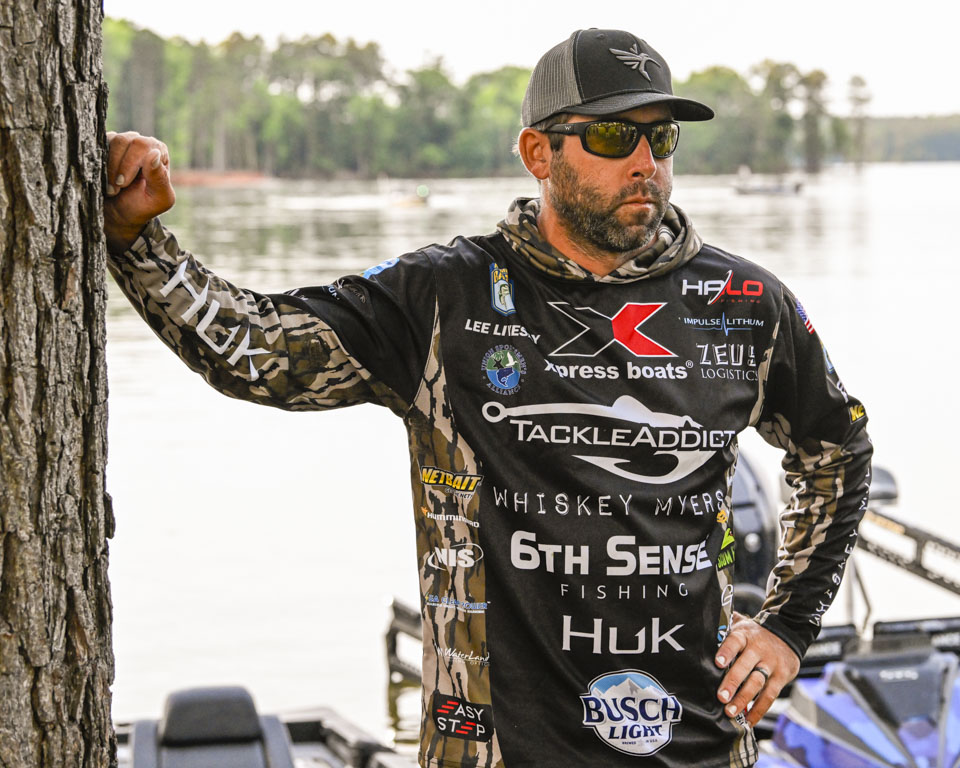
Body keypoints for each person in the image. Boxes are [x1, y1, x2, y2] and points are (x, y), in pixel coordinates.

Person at [103, 29, 871, 768]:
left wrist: (788, 625)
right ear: (539, 152)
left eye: (661, 138)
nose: (645, 163)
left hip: (697, 745)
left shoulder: (743, 302)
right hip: (495, 749)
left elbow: (837, 449)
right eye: (613, 137)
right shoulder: (444, 295)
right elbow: (258, 350)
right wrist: (139, 241)